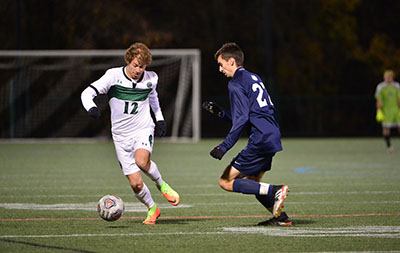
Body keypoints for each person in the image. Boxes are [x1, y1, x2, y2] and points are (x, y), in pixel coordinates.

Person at [81, 42, 180, 225]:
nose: (138, 70)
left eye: (142, 67)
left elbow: (153, 98)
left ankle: (162, 184)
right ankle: (152, 209)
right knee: (135, 184)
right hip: (120, 136)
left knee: (142, 161)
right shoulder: (113, 76)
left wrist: (159, 119)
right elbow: (87, 93)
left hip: (142, 129)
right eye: (135, 65)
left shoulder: (151, 78)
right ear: (128, 61)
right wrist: (91, 108)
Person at [203, 42, 291, 226]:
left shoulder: (235, 83)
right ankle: (281, 218)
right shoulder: (253, 77)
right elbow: (247, 115)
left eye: (221, 64)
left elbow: (241, 120)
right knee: (253, 183)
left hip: (260, 139)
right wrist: (221, 112)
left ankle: (275, 190)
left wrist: (223, 146)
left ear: (232, 61)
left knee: (225, 181)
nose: (220, 69)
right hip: (272, 135)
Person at [375, 69, 400, 153]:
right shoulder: (380, 87)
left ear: (392, 77)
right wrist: (379, 111)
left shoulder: (397, 86)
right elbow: (379, 100)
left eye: (390, 77)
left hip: (396, 111)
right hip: (386, 111)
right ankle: (389, 146)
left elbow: (398, 99)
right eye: (386, 77)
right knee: (386, 129)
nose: (388, 78)